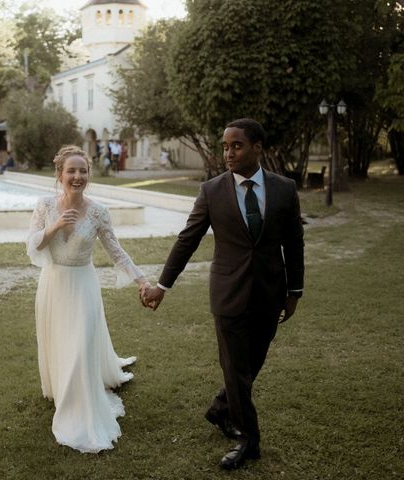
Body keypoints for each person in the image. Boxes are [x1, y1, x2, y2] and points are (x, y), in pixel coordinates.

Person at [140, 118, 304, 470]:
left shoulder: (285, 189)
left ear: (258, 147)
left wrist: (294, 291)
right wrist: (163, 285)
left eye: (237, 146)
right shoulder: (211, 191)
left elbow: (294, 242)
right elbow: (188, 239)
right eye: (225, 146)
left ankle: (220, 409)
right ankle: (249, 440)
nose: (228, 152)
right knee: (234, 368)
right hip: (228, 293)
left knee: (251, 365)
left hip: (270, 292)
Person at [27, 145, 149, 453]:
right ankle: (63, 392)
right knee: (61, 345)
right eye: (71, 171)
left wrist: (142, 280)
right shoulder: (44, 205)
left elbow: (116, 251)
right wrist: (56, 225)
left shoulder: (98, 212)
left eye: (83, 171)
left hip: (83, 287)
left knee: (80, 346)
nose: (77, 176)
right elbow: (32, 245)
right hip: (53, 285)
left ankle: (80, 411)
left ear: (89, 175)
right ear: (60, 175)